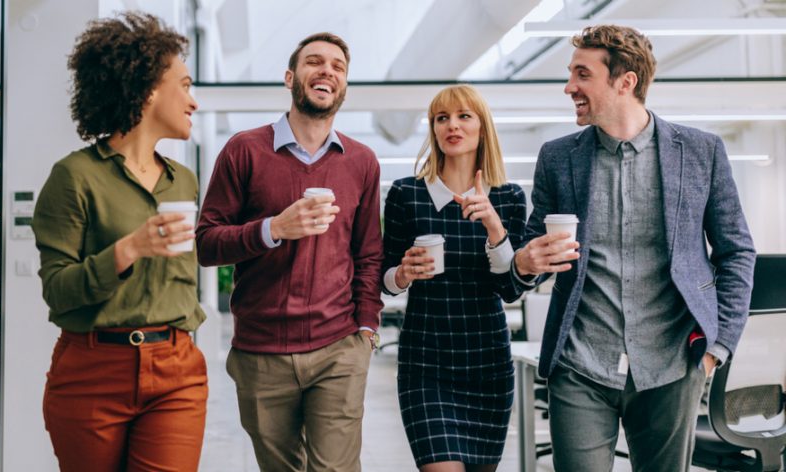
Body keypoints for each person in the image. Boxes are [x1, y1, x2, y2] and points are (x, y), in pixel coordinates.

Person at [512, 25, 756, 471]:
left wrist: (716, 349)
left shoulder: (701, 153)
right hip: (581, 363)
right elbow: (536, 248)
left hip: (671, 363)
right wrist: (525, 263)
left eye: (582, 74)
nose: (569, 87)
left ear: (625, 82)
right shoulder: (558, 157)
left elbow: (736, 252)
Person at [195, 32, 383, 472]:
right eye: (314, 62)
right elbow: (206, 243)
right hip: (261, 351)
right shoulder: (244, 150)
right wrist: (273, 229)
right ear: (290, 77)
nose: (327, 71)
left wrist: (367, 327)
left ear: (344, 86)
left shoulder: (362, 162)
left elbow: (369, 254)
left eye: (338, 67)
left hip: (339, 346)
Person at [31, 12, 206, 472]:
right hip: (92, 372)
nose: (194, 101)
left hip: (176, 370)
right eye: (185, 86)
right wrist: (128, 250)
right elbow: (58, 292)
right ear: (148, 88)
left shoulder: (182, 180)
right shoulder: (74, 177)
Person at [381, 84, 526, 472]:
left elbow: (511, 289)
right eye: (441, 118)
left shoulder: (509, 198)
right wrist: (402, 274)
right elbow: (382, 276)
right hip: (426, 362)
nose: (452, 126)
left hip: (487, 364)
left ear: (482, 127)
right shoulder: (406, 194)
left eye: (464, 116)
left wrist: (495, 225)